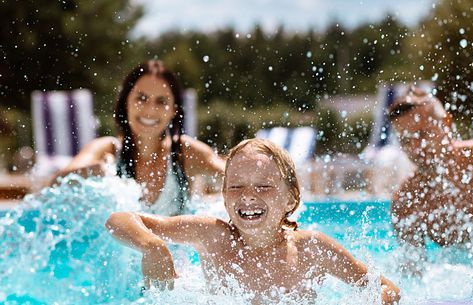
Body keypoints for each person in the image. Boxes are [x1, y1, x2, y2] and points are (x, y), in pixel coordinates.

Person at [105, 139, 400, 304]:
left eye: (264, 186)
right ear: (223, 195)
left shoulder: (312, 249)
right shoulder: (213, 236)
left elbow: (387, 289)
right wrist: (153, 246)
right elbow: (119, 219)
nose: (248, 196)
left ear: (290, 198)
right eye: (236, 186)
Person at [53, 60, 225, 216]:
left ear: (174, 110)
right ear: (125, 102)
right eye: (141, 98)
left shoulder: (184, 152)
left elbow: (235, 174)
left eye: (161, 101)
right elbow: (54, 185)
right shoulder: (107, 150)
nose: (150, 110)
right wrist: (94, 171)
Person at [387, 87, 473, 252]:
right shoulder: (408, 204)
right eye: (406, 140)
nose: (415, 148)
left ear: (446, 123)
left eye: (423, 134)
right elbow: (411, 274)